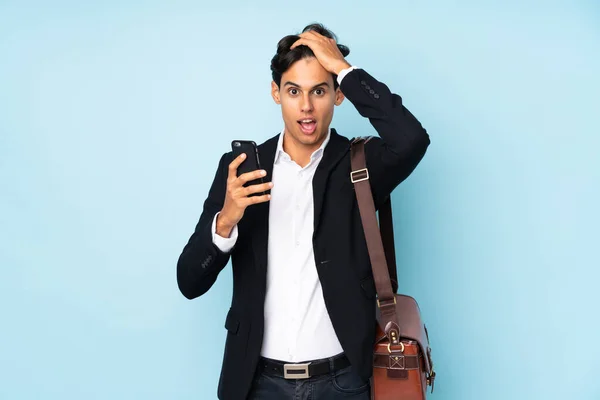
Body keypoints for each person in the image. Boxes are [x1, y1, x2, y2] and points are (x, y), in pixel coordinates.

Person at [177, 22, 430, 400]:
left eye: (320, 90)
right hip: (257, 383)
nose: (307, 107)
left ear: (338, 95)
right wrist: (226, 220)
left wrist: (344, 68)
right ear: (276, 92)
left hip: (344, 382)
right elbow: (189, 282)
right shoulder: (243, 168)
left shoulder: (358, 164)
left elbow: (411, 138)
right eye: (294, 91)